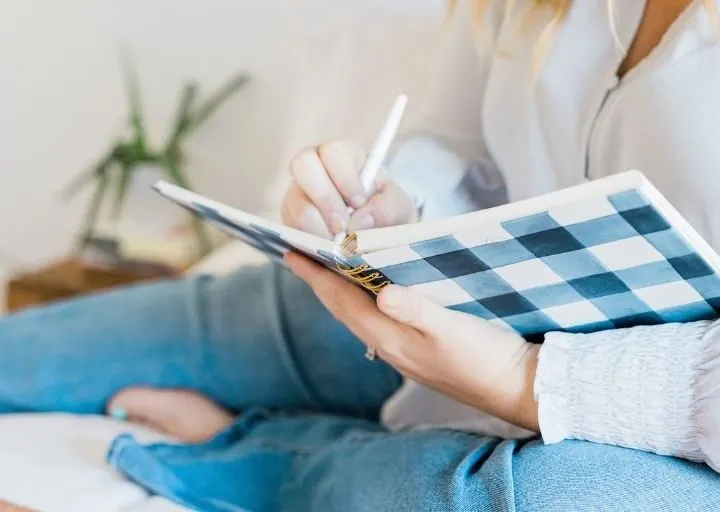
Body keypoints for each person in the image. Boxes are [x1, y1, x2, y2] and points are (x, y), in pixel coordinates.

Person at [4, 0, 720, 510]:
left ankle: (263, 454)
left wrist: (522, 380)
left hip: (683, 434)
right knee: (295, 300)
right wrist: (391, 204)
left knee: (562, 500)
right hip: (482, 325)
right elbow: (459, 147)